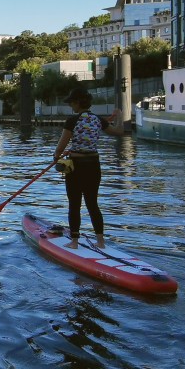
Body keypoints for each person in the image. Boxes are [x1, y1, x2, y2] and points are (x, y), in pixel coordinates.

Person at [52, 87, 124, 249]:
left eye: (72, 103)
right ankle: (101, 242)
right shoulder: (98, 120)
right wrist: (119, 116)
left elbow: (60, 147)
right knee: (92, 203)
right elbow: (119, 131)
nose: (71, 106)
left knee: (74, 203)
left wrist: (56, 158)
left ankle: (74, 242)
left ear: (78, 102)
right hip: (93, 165)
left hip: (76, 166)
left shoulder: (72, 121)